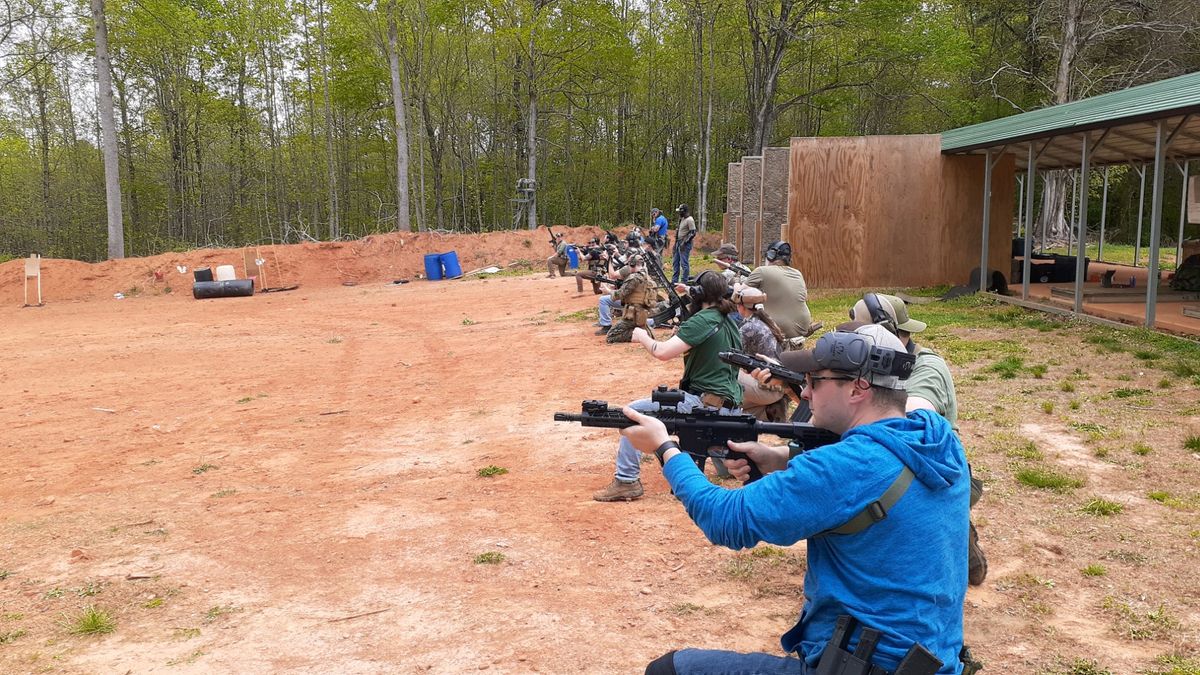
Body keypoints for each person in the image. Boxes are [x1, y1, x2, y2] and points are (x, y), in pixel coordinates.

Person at [619, 324, 970, 674]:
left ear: (858, 388)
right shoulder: (934, 434)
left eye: (815, 382)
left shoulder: (843, 467)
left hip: (865, 666)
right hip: (934, 662)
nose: (803, 395)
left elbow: (724, 519)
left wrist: (666, 450)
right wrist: (781, 458)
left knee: (668, 670)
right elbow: (866, 471)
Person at [847, 292, 987, 586]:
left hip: (938, 472)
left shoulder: (926, 366)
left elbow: (910, 418)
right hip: (899, 461)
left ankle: (956, 529)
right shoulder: (874, 363)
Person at [592, 271, 743, 502]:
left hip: (705, 404)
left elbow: (662, 352)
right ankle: (723, 461)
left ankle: (626, 480)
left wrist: (641, 336)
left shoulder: (704, 319)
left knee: (634, 413)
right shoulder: (728, 321)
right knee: (713, 448)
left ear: (699, 294)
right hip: (730, 406)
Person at [731, 284, 788, 421]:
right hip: (778, 384)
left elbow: (732, 355)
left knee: (726, 377)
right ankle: (766, 412)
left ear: (741, 307)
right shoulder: (767, 321)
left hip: (768, 386)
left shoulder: (748, 327)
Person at [745, 240, 813, 344]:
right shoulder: (797, 273)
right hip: (802, 328)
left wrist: (736, 285)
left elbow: (737, 296)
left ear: (770, 256)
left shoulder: (761, 271)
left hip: (778, 329)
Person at [606, 254, 660, 344]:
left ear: (632, 264)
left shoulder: (634, 277)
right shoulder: (647, 277)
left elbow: (620, 294)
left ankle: (643, 335)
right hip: (641, 313)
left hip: (632, 314)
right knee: (637, 326)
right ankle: (645, 332)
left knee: (611, 336)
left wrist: (608, 291)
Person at [671, 204, 697, 284]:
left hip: (685, 243)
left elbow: (692, 233)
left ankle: (684, 281)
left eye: (680, 211)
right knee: (675, 262)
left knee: (684, 264)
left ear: (683, 211)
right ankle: (674, 281)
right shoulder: (682, 219)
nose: (679, 213)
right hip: (679, 242)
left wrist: (684, 243)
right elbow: (678, 232)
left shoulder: (690, 220)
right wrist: (675, 244)